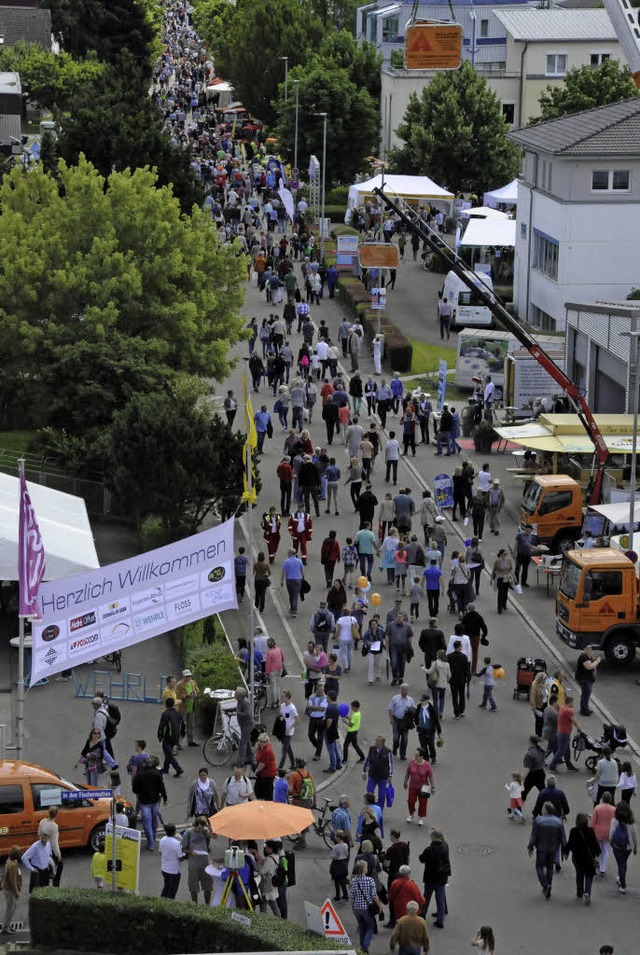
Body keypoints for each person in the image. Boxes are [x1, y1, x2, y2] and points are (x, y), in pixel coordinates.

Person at [527, 801, 567, 899]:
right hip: (553, 848)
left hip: (541, 848)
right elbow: (563, 838)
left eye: (543, 808)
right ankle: (549, 885)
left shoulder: (538, 820)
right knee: (550, 867)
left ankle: (545, 885)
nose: (542, 809)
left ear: (546, 810)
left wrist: (530, 846)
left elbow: (533, 835)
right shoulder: (558, 821)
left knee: (539, 867)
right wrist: (564, 851)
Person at [132, 758, 168, 851]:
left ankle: (151, 842)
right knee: (154, 820)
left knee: (146, 822)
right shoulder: (156, 773)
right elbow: (161, 786)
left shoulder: (139, 774)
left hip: (144, 802)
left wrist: (139, 793)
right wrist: (165, 797)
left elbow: (135, 789)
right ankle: (154, 836)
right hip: (155, 800)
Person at [565, 812, 600, 905]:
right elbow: (594, 843)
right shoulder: (590, 831)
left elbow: (570, 843)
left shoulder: (573, 831)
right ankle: (587, 892)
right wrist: (597, 852)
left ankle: (579, 893)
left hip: (577, 858)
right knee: (589, 875)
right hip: (589, 857)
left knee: (579, 874)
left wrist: (566, 852)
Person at [419, 829, 450, 929]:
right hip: (441, 877)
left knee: (426, 897)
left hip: (430, 877)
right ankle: (440, 919)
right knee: (440, 897)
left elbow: (422, 859)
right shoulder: (445, 846)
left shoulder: (430, 850)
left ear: (433, 837)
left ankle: (422, 914)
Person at [350, 859, 381, 954]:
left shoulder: (353, 881)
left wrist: (353, 908)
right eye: (366, 867)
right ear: (363, 869)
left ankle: (362, 947)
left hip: (357, 909)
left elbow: (352, 897)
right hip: (367, 908)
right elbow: (374, 896)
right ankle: (365, 945)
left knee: (362, 927)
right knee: (370, 927)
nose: (367, 868)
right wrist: (379, 906)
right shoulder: (370, 880)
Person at [182, 816, 213, 905]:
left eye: (202, 828)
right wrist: (191, 852)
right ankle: (194, 905)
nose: (200, 830)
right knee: (193, 887)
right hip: (193, 864)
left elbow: (214, 836)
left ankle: (207, 905)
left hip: (204, 863)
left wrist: (208, 826)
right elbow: (183, 849)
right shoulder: (188, 834)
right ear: (195, 825)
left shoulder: (205, 831)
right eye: (199, 828)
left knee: (208, 886)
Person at [609, 800, 637, 893]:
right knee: (623, 863)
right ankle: (621, 877)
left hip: (617, 846)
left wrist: (610, 842)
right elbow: (634, 835)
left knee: (621, 864)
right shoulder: (631, 823)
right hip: (628, 847)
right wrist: (635, 848)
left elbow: (611, 833)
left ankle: (623, 885)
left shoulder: (615, 820)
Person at [548, 696, 580, 772]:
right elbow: (574, 721)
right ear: (569, 702)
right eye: (572, 702)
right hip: (564, 733)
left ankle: (569, 765)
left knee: (567, 750)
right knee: (561, 751)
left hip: (560, 732)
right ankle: (552, 766)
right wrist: (579, 729)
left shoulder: (562, 708)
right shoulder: (568, 710)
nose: (573, 704)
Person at [404, 749, 434, 825]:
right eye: (415, 755)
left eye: (417, 755)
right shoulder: (411, 763)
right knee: (410, 801)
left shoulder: (427, 765)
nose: (415, 756)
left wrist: (432, 787)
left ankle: (421, 818)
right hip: (413, 786)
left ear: (421, 756)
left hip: (423, 787)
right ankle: (411, 814)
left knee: (423, 803)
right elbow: (408, 773)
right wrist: (405, 782)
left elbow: (430, 777)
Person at [590, 792, 616, 876]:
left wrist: (591, 830)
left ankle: (596, 862)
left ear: (602, 799)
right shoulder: (614, 809)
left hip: (597, 832)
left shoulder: (597, 808)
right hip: (608, 833)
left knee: (597, 849)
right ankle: (603, 869)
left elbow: (593, 822)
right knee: (605, 851)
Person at [363, 735, 393, 808]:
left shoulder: (387, 751)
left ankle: (379, 811)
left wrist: (390, 775)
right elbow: (368, 760)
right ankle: (369, 809)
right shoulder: (372, 749)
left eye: (377, 741)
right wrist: (364, 771)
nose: (376, 742)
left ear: (382, 743)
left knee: (381, 795)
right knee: (369, 793)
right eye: (376, 741)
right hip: (372, 775)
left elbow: (390, 764)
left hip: (383, 777)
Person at [157, 697, 184, 777]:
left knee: (168, 753)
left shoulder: (165, 714)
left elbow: (162, 726)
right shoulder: (178, 713)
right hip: (176, 736)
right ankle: (166, 769)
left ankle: (178, 769)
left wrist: (160, 735)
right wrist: (182, 734)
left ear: (166, 704)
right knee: (168, 752)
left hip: (168, 736)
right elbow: (182, 725)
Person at [389, 683, 416, 760]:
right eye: (403, 689)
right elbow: (390, 709)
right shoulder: (395, 698)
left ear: (408, 691)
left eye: (406, 689)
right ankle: (395, 748)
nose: (404, 691)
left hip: (405, 721)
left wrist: (410, 710)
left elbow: (414, 709)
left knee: (405, 738)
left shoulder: (410, 700)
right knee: (396, 737)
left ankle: (402, 754)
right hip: (396, 720)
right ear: (400, 690)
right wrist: (391, 718)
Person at [38, 807, 63, 887]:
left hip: (41, 847)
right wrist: (58, 855)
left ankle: (46, 883)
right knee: (60, 866)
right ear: (56, 815)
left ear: (48, 813)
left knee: (45, 870)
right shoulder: (54, 826)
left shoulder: (42, 821)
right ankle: (56, 885)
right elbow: (54, 843)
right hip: (50, 851)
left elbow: (39, 833)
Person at [159, 823, 184, 899]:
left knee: (166, 888)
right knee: (172, 892)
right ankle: (168, 907)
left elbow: (160, 852)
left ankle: (160, 903)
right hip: (174, 871)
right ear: (174, 832)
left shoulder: (162, 840)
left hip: (164, 869)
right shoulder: (176, 843)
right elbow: (180, 857)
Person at [575, 644, 601, 717]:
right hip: (584, 679)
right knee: (586, 694)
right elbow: (589, 667)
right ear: (584, 649)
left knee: (586, 693)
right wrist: (597, 661)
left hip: (588, 678)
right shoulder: (583, 657)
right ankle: (584, 710)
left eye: (590, 648)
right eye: (588, 648)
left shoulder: (588, 656)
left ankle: (585, 708)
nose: (590, 649)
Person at [414, 695, 441, 764]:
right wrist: (418, 724)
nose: (422, 702)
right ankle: (426, 758)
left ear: (427, 701)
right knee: (423, 745)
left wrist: (438, 730)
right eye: (421, 700)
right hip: (421, 730)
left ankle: (433, 757)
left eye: (424, 700)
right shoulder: (419, 707)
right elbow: (416, 717)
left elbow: (435, 719)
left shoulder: (431, 708)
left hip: (430, 730)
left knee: (431, 745)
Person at [447, 639, 470, 720]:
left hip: (453, 679)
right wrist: (468, 678)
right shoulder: (464, 657)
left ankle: (456, 714)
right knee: (461, 695)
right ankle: (462, 711)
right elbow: (466, 669)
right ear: (459, 647)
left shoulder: (449, 656)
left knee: (454, 696)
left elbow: (447, 668)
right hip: (461, 679)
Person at [176, 669, 200, 747]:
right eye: (187, 676)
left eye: (189, 676)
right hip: (182, 708)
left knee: (191, 725)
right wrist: (186, 696)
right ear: (183, 677)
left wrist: (195, 693)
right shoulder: (179, 685)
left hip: (191, 706)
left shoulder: (193, 682)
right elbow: (177, 695)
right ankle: (178, 742)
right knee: (181, 726)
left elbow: (197, 690)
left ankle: (190, 740)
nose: (188, 677)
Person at [1, 846, 22, 933]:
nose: (21, 854)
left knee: (12, 907)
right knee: (10, 908)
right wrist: (16, 892)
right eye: (20, 853)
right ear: (16, 855)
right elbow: (12, 881)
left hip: (7, 888)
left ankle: (7, 925)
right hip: (9, 890)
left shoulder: (11, 860)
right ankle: (5, 928)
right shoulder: (12, 865)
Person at [281, 548, 305, 618]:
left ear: (290, 553)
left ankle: (292, 608)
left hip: (289, 580)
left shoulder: (286, 561)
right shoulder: (299, 561)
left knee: (291, 594)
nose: (287, 554)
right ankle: (294, 611)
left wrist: (281, 581)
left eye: (288, 553)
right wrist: (303, 577)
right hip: (297, 580)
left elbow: (283, 572)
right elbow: (302, 571)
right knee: (295, 595)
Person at [278, 689, 300, 770]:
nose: (281, 697)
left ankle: (280, 767)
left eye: (283, 696)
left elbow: (298, 720)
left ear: (287, 697)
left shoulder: (292, 708)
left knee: (284, 750)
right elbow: (281, 716)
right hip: (283, 730)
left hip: (288, 732)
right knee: (288, 748)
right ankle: (293, 764)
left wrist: (290, 729)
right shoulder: (282, 705)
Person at [522, 736, 547, 803]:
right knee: (543, 792)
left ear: (531, 742)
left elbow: (527, 769)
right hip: (541, 773)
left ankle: (517, 807)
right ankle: (550, 805)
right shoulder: (541, 750)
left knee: (524, 791)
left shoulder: (529, 754)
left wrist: (523, 778)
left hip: (532, 775)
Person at [343, 699, 366, 764]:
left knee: (345, 746)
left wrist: (345, 721)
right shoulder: (358, 713)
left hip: (351, 732)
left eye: (352, 707)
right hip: (355, 732)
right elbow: (354, 721)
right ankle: (362, 757)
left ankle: (344, 760)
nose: (351, 708)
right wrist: (348, 718)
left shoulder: (355, 715)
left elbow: (351, 724)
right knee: (355, 745)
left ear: (355, 707)